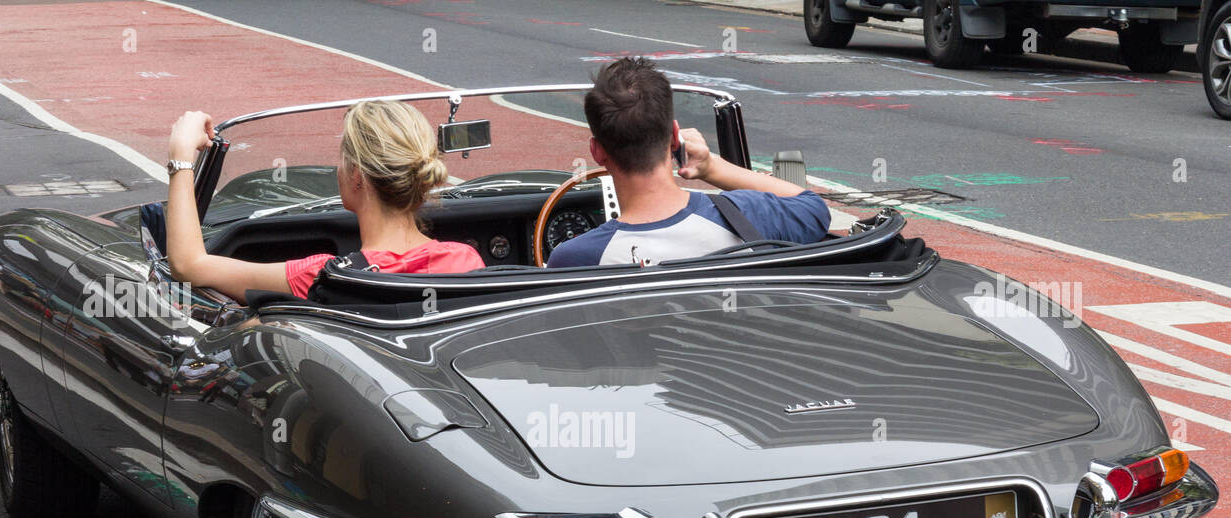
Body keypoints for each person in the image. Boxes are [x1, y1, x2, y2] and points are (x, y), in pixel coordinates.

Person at [165, 100, 484, 303]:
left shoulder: (325, 276)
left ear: (357, 175)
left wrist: (181, 154)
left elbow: (189, 265)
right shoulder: (467, 262)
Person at [547, 56, 831, 269]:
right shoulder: (744, 215)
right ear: (674, 136)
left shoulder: (575, 258)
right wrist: (711, 167)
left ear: (597, 152)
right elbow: (814, 209)